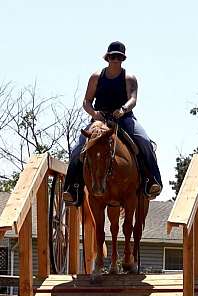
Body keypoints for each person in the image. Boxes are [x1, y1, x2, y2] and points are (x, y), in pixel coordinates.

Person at [63, 41, 162, 206]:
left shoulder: (129, 77)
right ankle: (72, 188)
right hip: (99, 120)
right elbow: (87, 101)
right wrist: (94, 114)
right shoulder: (96, 77)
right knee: (77, 149)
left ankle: (152, 181)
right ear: (107, 57)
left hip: (124, 118)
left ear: (123, 59)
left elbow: (133, 99)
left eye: (119, 57)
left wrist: (123, 110)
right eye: (112, 56)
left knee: (144, 141)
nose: (115, 59)